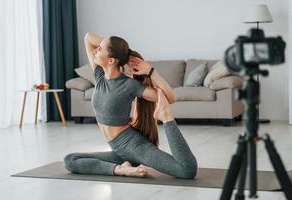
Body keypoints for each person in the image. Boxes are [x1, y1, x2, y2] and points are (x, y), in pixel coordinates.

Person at [63, 32, 197, 179]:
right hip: (118, 150)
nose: (95, 50)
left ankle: (166, 118)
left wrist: (150, 71)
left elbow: (170, 97)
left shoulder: (129, 85)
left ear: (111, 61)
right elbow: (88, 37)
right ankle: (121, 169)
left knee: (187, 170)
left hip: (133, 146)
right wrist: (124, 54)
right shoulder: (100, 77)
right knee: (70, 160)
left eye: (100, 49)